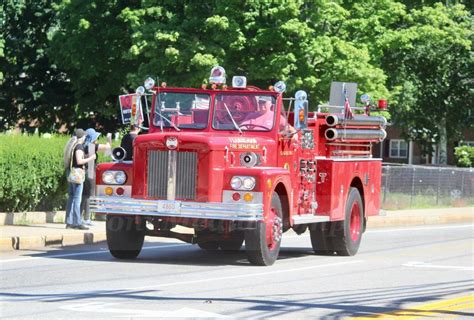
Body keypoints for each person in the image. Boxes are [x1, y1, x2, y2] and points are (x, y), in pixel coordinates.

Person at [66, 129, 96, 230]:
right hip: (77, 174)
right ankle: (77, 222)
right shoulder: (79, 146)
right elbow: (79, 161)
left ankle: (69, 222)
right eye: (84, 136)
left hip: (71, 174)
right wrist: (91, 158)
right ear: (82, 137)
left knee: (71, 198)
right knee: (77, 199)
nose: (85, 138)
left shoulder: (71, 145)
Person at [81, 128, 111, 226]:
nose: (97, 139)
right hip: (90, 172)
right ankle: (87, 218)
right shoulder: (92, 146)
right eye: (96, 137)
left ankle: (81, 217)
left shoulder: (83, 145)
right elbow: (107, 148)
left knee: (84, 195)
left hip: (83, 172)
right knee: (91, 195)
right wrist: (109, 138)